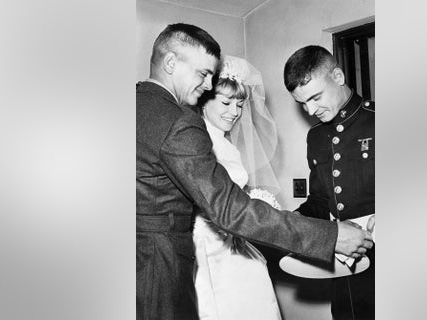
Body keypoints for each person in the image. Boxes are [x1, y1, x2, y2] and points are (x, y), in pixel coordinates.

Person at [137, 23, 373, 320]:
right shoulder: (179, 122)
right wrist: (328, 235)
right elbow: (230, 210)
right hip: (171, 261)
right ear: (170, 63)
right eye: (203, 74)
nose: (208, 85)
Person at [283, 45, 376, 320]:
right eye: (302, 103)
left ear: (337, 76)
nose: (311, 110)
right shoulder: (316, 137)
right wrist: (291, 220)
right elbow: (321, 201)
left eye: (315, 97)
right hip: (344, 266)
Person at [193, 55, 281, 320]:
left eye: (240, 104)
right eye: (226, 102)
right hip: (208, 249)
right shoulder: (198, 142)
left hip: (234, 243)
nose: (234, 111)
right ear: (204, 101)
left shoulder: (227, 145)